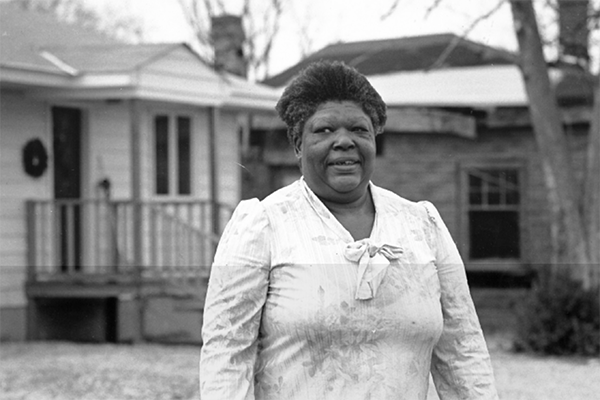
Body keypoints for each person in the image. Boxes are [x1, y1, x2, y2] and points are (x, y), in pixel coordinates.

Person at [199, 61, 498, 399]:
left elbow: (463, 352)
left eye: (359, 129)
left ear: (374, 141)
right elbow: (227, 352)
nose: (344, 141)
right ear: (298, 145)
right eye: (324, 130)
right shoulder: (263, 225)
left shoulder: (421, 225)